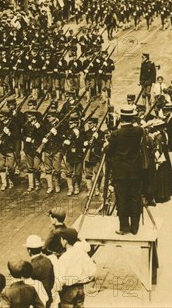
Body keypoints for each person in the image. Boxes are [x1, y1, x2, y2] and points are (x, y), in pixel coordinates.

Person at [105, 105, 144, 235]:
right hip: (136, 171)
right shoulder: (139, 131)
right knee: (135, 198)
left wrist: (106, 145)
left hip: (120, 173)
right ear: (133, 117)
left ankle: (124, 227)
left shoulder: (116, 134)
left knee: (122, 199)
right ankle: (135, 227)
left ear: (121, 118)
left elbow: (109, 151)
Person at [52, 228, 96, 308]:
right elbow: (92, 270)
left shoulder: (64, 257)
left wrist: (56, 290)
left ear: (65, 241)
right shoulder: (81, 252)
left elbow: (59, 279)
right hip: (80, 289)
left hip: (68, 290)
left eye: (61, 239)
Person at [25, 235, 54, 308]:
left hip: (36, 300)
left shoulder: (30, 266)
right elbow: (52, 280)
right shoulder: (47, 260)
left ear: (29, 250)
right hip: (48, 295)